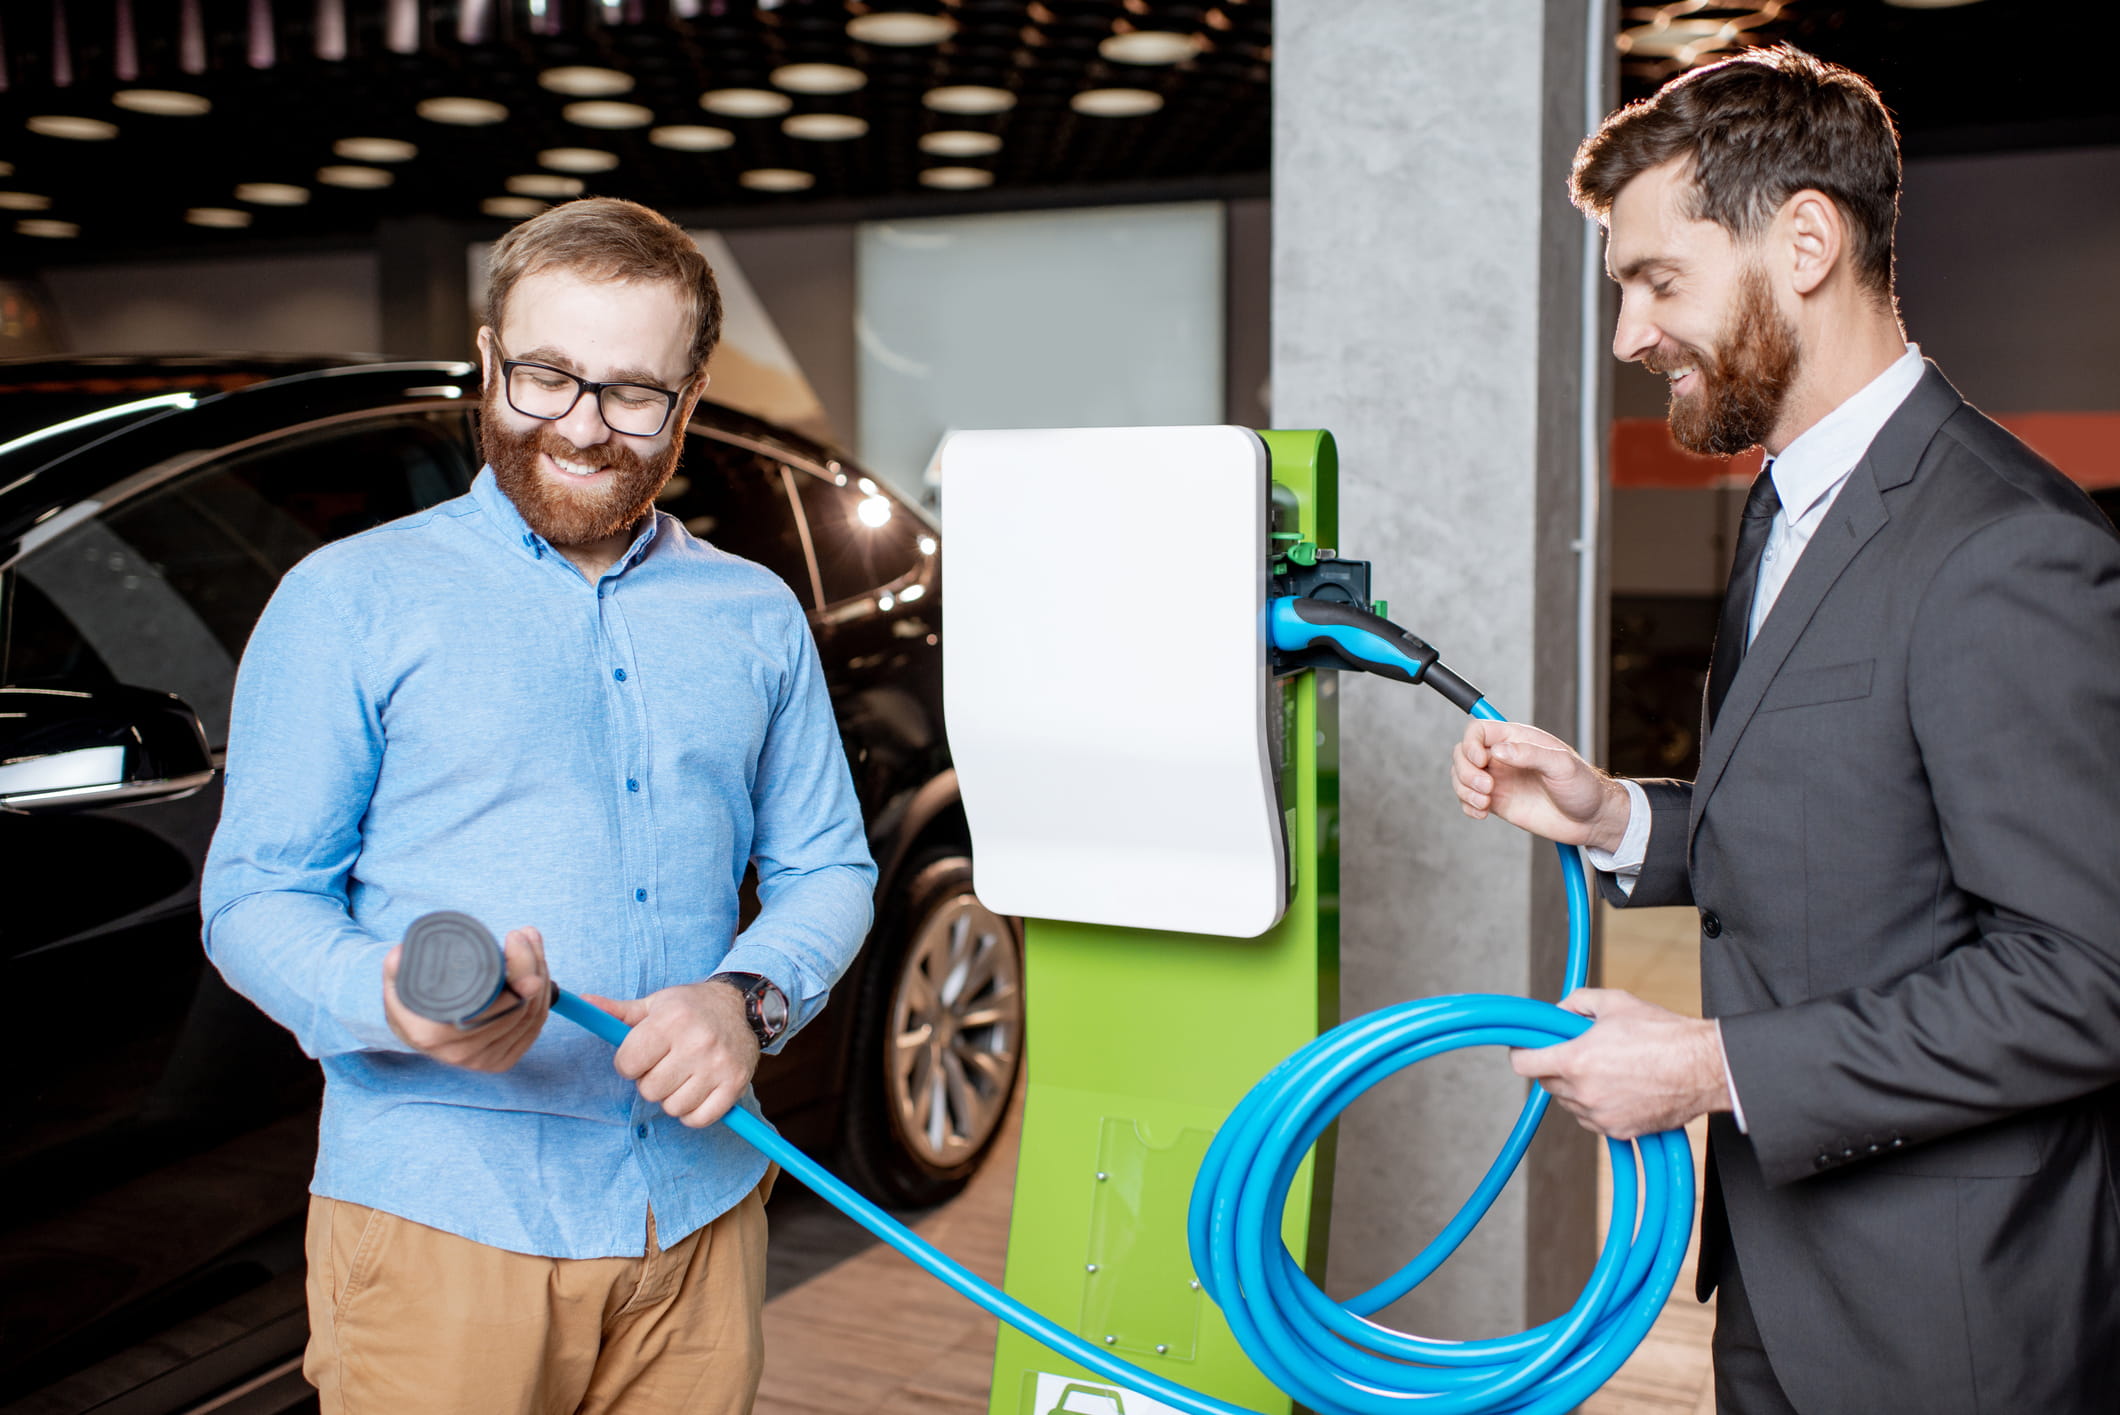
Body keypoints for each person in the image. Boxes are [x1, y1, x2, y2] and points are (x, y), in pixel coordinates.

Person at [1449, 46, 2120, 1414]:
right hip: (1779, 1272)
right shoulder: (1793, 505)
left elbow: (2082, 977)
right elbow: (1861, 834)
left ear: (1805, 242)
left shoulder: (2008, 546)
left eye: (1657, 279)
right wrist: (1618, 816)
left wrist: (1705, 1065)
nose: (1630, 335)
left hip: (1948, 1324)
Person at [202, 197, 876, 1414]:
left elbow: (828, 866)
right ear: (487, 357)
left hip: (700, 1216)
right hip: (443, 1227)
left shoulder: (755, 612)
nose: (580, 424)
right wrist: (393, 1000)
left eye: (631, 392)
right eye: (546, 375)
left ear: (690, 395)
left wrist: (747, 1001)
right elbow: (254, 898)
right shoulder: (347, 598)